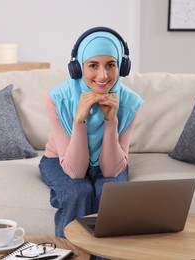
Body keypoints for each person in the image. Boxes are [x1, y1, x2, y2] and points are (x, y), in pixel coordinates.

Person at [39, 27, 144, 238]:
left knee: (110, 196)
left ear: (121, 67)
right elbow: (75, 172)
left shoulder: (130, 103)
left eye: (111, 65)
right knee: (77, 192)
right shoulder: (58, 100)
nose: (103, 75)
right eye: (93, 65)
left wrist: (111, 121)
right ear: (78, 68)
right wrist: (79, 121)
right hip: (60, 160)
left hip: (109, 163)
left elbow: (111, 171)